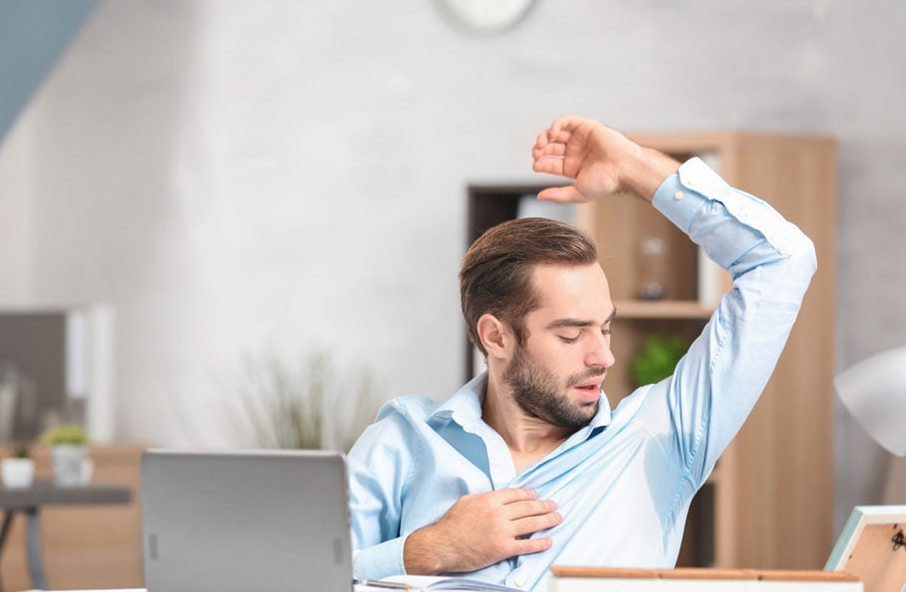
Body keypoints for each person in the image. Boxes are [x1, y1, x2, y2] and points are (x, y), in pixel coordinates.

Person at [347, 115, 817, 590]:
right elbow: (290, 574)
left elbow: (782, 261)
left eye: (606, 328)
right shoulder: (401, 443)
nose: (602, 357)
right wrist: (428, 550)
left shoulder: (664, 435)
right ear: (496, 336)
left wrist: (632, 167)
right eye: (571, 335)